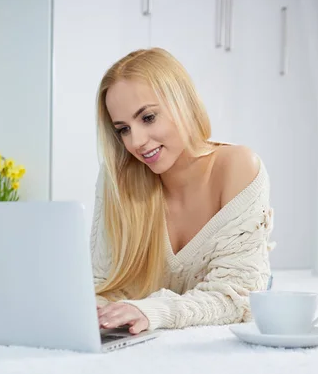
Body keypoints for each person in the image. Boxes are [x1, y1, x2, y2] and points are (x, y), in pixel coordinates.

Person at [91, 47, 275, 335]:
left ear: (183, 104)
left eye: (148, 117)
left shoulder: (238, 167)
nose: (137, 141)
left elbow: (238, 297)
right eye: (123, 129)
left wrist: (153, 311)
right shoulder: (118, 176)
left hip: (239, 284)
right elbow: (104, 281)